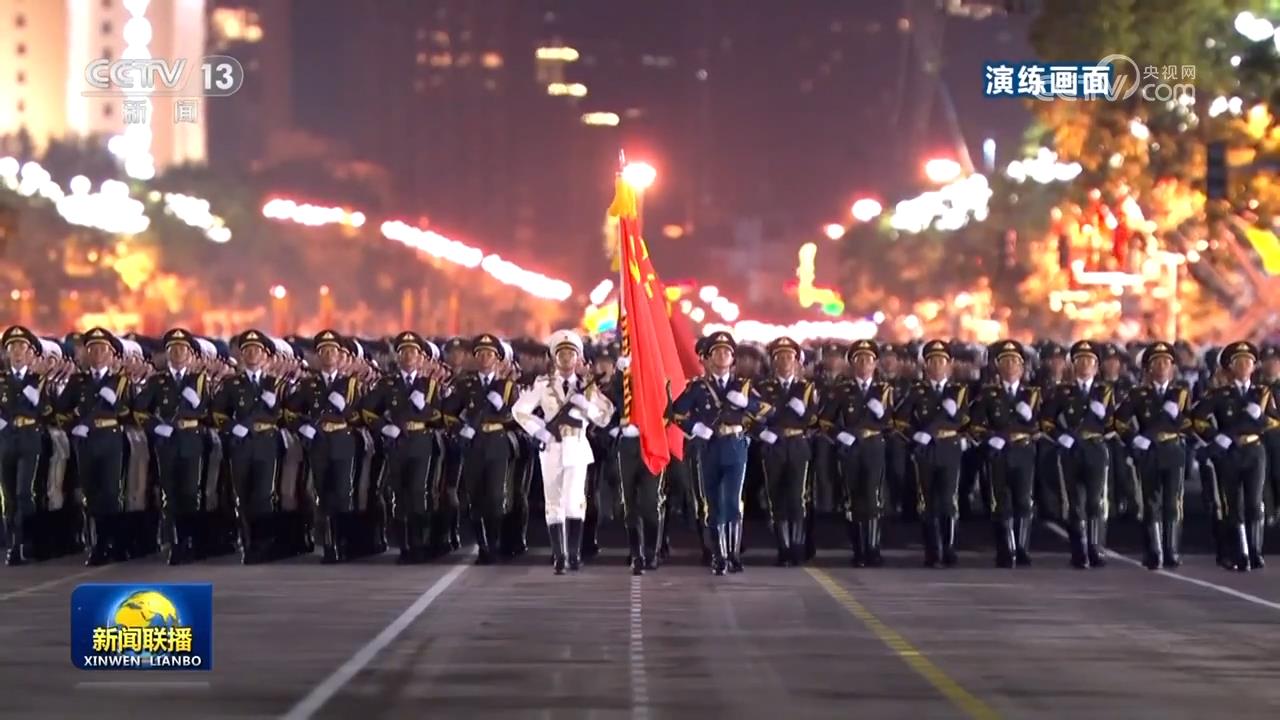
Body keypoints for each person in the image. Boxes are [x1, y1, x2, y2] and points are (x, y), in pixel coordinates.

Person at [670, 331, 771, 576]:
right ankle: (718, 555)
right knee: (712, 503)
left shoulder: (743, 386)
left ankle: (733, 555)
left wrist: (747, 403)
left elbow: (767, 410)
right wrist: (695, 427)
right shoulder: (698, 387)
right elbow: (674, 412)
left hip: (735, 445)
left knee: (733, 501)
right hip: (709, 447)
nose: (722, 355)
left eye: (727, 351)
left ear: (733, 359)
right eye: (717, 351)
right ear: (708, 358)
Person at [512, 330, 613, 574]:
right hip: (552, 449)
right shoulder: (543, 384)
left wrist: (586, 405)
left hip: (577, 446)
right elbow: (519, 410)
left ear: (579, 358)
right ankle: (559, 555)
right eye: (562, 354)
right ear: (554, 358)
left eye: (571, 354)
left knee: (574, 501)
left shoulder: (587, 387)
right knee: (553, 502)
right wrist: (540, 432)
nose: (566, 358)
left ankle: (574, 554)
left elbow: (605, 417)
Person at [360, 331, 446, 564]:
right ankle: (404, 547)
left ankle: (419, 544)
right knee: (399, 495)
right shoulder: (388, 383)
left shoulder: (429, 385)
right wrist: (384, 427)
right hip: (397, 444)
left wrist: (424, 408)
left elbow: (440, 417)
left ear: (420, 357)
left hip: (421, 443)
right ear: (397, 356)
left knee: (418, 493)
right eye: (404, 352)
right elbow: (367, 410)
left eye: (413, 352)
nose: (408, 356)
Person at [1191, 341, 1275, 571]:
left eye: (1249, 362)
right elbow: (1197, 419)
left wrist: (1260, 419)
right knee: (1231, 504)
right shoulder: (1219, 394)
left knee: (1254, 503)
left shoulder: (1262, 393)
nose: (1245, 365)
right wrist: (1216, 437)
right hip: (1229, 453)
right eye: (1240, 362)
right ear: (1231, 366)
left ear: (1254, 367)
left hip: (1254, 450)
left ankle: (1255, 551)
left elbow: (1275, 421)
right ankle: (1239, 552)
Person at [132, 328, 212, 565]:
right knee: (170, 494)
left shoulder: (199, 380)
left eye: (182, 349)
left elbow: (211, 412)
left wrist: (197, 407)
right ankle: (175, 542)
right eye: (173, 349)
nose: (177, 353)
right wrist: (156, 427)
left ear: (189, 354)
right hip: (167, 443)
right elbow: (140, 410)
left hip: (191, 441)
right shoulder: (158, 381)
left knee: (191, 493)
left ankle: (190, 540)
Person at [285, 330, 363, 563]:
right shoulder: (309, 384)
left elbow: (361, 416)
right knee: (324, 494)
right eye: (324, 351)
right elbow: (290, 412)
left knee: (343, 494)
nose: (328, 355)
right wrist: (302, 427)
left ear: (339, 355)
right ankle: (330, 546)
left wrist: (345, 409)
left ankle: (344, 542)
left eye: (333, 351)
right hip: (319, 443)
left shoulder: (350, 384)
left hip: (342, 442)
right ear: (318, 356)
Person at [442, 334, 520, 565]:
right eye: (481, 354)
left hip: (497, 444)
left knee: (495, 497)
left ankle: (494, 543)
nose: (485, 358)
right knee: (475, 497)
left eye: (490, 354)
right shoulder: (466, 385)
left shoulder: (507, 387)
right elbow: (448, 412)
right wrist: (460, 429)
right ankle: (483, 546)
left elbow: (519, 418)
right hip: (474, 445)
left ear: (497, 359)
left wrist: (503, 410)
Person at [1115, 341, 1192, 570]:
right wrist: (1133, 438)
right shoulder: (1138, 394)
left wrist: (1177, 419)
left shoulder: (1180, 393)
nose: (1162, 366)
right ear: (1148, 368)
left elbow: (1191, 423)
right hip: (1149, 453)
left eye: (1166, 362)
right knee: (1151, 502)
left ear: (1172, 367)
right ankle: (1154, 550)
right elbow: (1119, 421)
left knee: (1173, 502)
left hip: (1173, 451)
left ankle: (1171, 550)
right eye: (1157, 362)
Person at [58, 328, 132, 566]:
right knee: (91, 493)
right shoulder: (78, 381)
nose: (98, 354)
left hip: (110, 440)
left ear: (111, 354)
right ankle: (98, 543)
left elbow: (130, 413)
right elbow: (60, 411)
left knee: (110, 492)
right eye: (93, 349)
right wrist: (74, 425)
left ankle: (113, 542)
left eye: (103, 349)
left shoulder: (120, 381)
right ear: (87, 353)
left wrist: (116, 403)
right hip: (86, 441)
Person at [212, 330, 286, 564]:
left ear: (265, 355)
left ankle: (264, 543)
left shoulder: (274, 383)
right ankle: (248, 544)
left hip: (266, 444)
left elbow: (287, 414)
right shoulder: (232, 383)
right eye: (247, 350)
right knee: (242, 496)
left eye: (257, 350)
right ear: (241, 355)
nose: (252, 354)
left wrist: (275, 408)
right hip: (242, 445)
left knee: (263, 496)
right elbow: (218, 413)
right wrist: (233, 427)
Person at [896, 340, 971, 568]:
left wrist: (955, 418)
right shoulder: (917, 391)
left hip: (949, 449)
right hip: (926, 451)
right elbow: (901, 420)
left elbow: (968, 420)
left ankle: (949, 549)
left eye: (941, 361)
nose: (937, 365)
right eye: (933, 361)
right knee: (927, 502)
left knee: (949, 501)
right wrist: (915, 435)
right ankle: (932, 551)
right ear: (926, 366)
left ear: (949, 365)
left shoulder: (958, 391)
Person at [821, 339, 894, 567]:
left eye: (868, 359)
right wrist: (839, 435)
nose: (864, 363)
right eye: (859, 359)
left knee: (873, 498)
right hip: (850, 448)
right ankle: (858, 550)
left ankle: (873, 549)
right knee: (852, 499)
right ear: (852, 363)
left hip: (873, 446)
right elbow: (825, 421)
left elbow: (893, 424)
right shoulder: (842, 390)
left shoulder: (883, 390)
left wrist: (882, 416)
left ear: (875, 364)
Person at [970, 340, 1041, 568]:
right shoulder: (988, 395)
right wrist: (991, 438)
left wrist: (1030, 420)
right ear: (998, 367)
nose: (1010, 366)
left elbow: (1044, 426)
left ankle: (1022, 549)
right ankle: (1005, 550)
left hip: (1023, 452)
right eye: (1005, 361)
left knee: (1023, 501)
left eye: (1015, 362)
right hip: (998, 454)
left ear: (1022, 367)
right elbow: (976, 426)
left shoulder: (1032, 394)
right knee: (1000, 502)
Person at [1044, 340, 1115, 568]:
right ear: (1073, 365)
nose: (1085, 364)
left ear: (1096, 366)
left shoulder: (1105, 392)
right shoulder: (1062, 392)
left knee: (1096, 501)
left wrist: (1104, 420)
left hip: (1095, 448)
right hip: (1071, 450)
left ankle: (1096, 548)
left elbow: (1116, 423)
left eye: (1089, 360)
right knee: (1074, 503)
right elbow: (1046, 421)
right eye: (1080, 360)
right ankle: (1078, 550)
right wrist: (1059, 436)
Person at [754, 336, 818, 566]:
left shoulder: (806, 388)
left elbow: (816, 419)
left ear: (797, 361)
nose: (785, 361)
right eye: (780, 357)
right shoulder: (763, 388)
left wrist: (804, 413)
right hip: (774, 445)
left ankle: (797, 548)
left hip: (798, 444)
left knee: (797, 497)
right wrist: (762, 432)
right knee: (776, 496)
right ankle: (784, 548)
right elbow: (753, 417)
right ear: (773, 361)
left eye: (789, 356)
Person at [1, 326, 53, 565]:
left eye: (22, 347)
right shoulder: (2, 379)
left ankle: (23, 543)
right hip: (5, 439)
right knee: (8, 495)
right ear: (6, 353)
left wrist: (36, 398)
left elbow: (47, 411)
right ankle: (12, 545)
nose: (17, 351)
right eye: (12, 347)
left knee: (24, 492)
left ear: (30, 353)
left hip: (29, 438)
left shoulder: (38, 380)